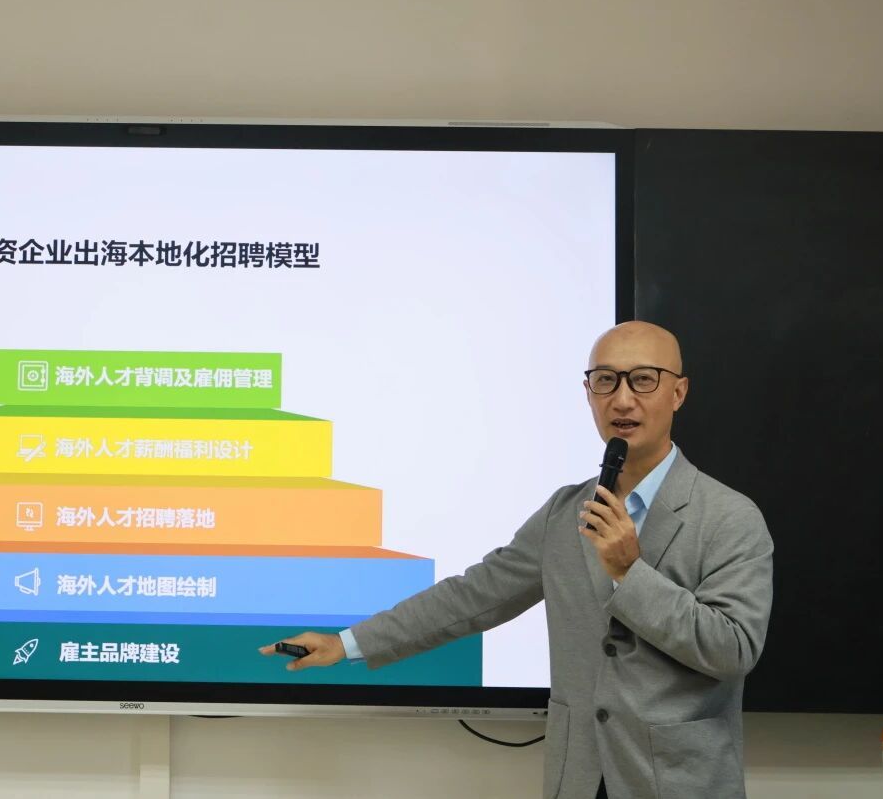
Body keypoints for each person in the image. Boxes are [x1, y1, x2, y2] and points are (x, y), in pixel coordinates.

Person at [260, 321, 774, 799]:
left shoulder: (728, 517)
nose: (622, 399)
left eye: (643, 380)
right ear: (588, 393)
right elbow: (473, 596)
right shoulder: (564, 512)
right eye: (605, 381)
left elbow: (733, 649)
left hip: (680, 782)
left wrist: (629, 573)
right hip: (579, 777)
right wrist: (347, 642)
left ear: (678, 392)